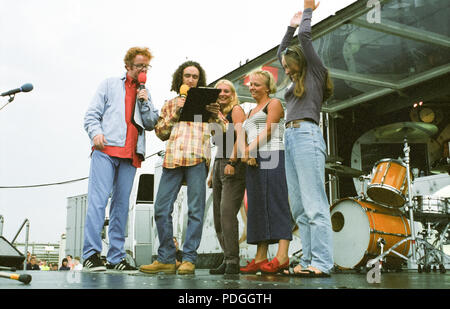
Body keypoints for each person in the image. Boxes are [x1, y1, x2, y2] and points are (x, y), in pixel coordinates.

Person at [139, 61, 221, 275]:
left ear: (199, 80)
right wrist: (177, 111)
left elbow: (224, 134)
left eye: (195, 76)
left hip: (197, 158)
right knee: (161, 208)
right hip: (173, 158)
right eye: (187, 76)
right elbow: (160, 132)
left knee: (195, 210)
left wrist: (216, 114)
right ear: (180, 79)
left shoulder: (208, 104)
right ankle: (166, 257)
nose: (191, 79)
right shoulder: (170, 103)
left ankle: (189, 258)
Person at [83, 46, 159, 272]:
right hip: (106, 150)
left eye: (146, 66)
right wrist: (95, 132)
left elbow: (151, 123)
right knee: (98, 202)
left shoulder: (146, 92)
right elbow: (91, 114)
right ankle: (91, 254)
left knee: (121, 206)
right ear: (128, 67)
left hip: (131, 155)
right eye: (139, 66)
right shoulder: (109, 84)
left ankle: (116, 257)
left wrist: (144, 101)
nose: (143, 70)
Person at [278, 1, 334, 277]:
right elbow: (282, 52)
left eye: (290, 65)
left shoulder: (315, 73)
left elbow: (305, 37)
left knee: (314, 203)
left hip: (306, 135)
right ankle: (309, 260)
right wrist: (289, 26)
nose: (286, 69)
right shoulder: (296, 78)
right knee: (299, 207)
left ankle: (322, 262)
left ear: (302, 60)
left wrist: (308, 12)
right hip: (290, 137)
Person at [239, 70, 292, 275]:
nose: (252, 88)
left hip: (272, 154)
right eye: (251, 84)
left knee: (276, 202)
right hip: (254, 159)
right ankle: (261, 257)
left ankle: (282, 255)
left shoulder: (274, 104)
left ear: (268, 87)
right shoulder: (251, 111)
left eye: (257, 85)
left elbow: (269, 130)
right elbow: (243, 134)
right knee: (258, 206)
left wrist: (250, 148)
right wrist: (247, 152)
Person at [208, 80, 246, 275]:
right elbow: (218, 141)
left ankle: (233, 261)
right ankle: (227, 256)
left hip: (233, 163)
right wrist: (211, 172)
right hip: (218, 162)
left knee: (227, 212)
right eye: (219, 91)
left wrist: (232, 162)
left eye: (226, 90)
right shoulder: (216, 115)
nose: (222, 93)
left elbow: (240, 137)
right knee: (217, 216)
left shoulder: (236, 110)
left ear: (232, 93)